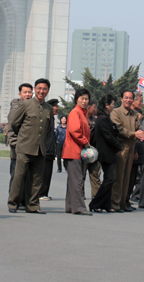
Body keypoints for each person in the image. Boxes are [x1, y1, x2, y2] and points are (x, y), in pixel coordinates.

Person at [7, 78, 52, 214]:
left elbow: (48, 128)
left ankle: (32, 205)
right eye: (39, 88)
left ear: (48, 91)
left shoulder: (49, 108)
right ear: (35, 89)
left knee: (37, 179)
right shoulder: (26, 105)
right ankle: (13, 203)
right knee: (18, 177)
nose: (41, 91)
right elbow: (15, 124)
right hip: (25, 147)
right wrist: (22, 138)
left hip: (40, 149)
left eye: (44, 89)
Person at [110, 90, 144, 212]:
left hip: (131, 147)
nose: (128, 100)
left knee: (127, 177)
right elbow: (118, 129)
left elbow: (139, 127)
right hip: (120, 148)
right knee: (118, 177)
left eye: (131, 98)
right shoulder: (116, 112)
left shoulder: (134, 114)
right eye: (126, 98)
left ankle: (123, 203)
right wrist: (134, 134)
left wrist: (140, 133)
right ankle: (115, 204)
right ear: (121, 99)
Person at [89, 94, 121, 213]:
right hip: (105, 152)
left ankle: (106, 204)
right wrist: (119, 146)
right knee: (109, 179)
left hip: (109, 152)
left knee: (109, 179)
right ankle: (95, 203)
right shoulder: (102, 118)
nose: (114, 106)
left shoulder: (106, 117)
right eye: (112, 104)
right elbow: (108, 136)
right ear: (107, 105)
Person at [63, 88, 92, 216]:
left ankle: (70, 206)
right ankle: (79, 207)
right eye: (82, 98)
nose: (84, 101)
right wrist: (85, 142)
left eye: (86, 99)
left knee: (73, 180)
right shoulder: (75, 113)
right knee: (77, 180)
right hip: (73, 150)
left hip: (76, 151)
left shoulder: (82, 113)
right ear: (76, 99)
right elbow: (75, 131)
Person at [5, 83, 32, 206]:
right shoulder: (15, 109)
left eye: (29, 92)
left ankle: (23, 200)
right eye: (25, 92)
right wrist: (15, 145)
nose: (27, 94)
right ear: (20, 94)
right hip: (17, 149)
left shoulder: (31, 107)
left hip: (28, 148)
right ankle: (14, 200)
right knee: (16, 175)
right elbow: (11, 129)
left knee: (26, 176)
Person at [39, 99, 60, 201]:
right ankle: (41, 193)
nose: (58, 108)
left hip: (50, 150)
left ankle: (45, 192)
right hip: (46, 150)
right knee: (44, 173)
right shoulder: (46, 119)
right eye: (56, 106)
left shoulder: (52, 119)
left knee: (48, 174)